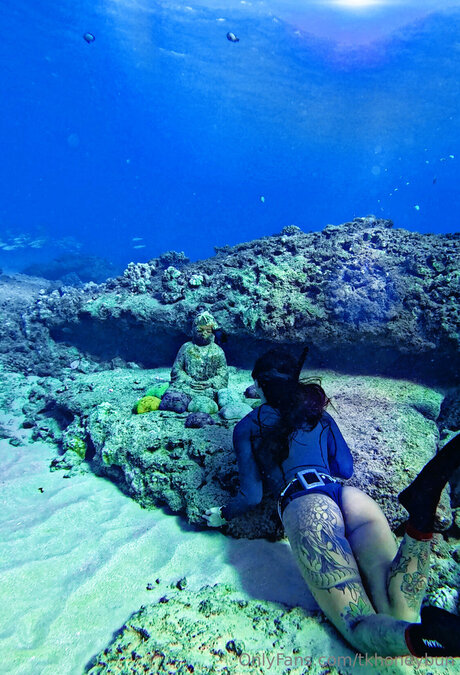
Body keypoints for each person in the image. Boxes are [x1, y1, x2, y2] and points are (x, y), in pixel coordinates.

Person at [203, 346, 460, 657]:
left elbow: (251, 496)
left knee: (359, 627)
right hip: (351, 499)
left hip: (307, 505)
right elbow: (345, 469)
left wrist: (222, 514)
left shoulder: (247, 426)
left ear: (259, 384)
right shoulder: (319, 415)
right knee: (402, 613)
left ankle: (430, 639)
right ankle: (421, 514)